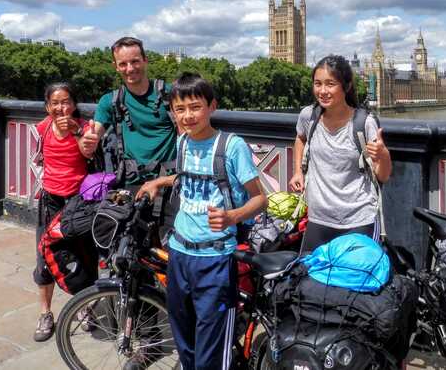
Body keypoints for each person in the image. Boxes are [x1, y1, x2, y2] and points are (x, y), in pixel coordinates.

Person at [139, 72, 266, 370]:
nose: (187, 116)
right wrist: (162, 181)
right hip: (180, 255)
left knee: (212, 348)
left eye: (195, 107)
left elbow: (261, 199)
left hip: (215, 260)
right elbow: (187, 178)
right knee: (184, 340)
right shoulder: (183, 142)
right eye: (179, 109)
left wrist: (232, 216)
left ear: (211, 106)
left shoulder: (231, 146)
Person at [289, 54, 392, 253]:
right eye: (317, 84)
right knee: (307, 280)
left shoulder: (364, 123)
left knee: (352, 282)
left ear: (346, 86)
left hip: (358, 220)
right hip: (318, 219)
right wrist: (298, 171)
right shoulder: (308, 116)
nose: (322, 91)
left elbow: (383, 176)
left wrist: (383, 155)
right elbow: (300, 138)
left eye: (330, 84)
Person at [33, 82, 94, 342]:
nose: (61, 108)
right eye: (55, 103)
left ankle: (85, 307)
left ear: (74, 103)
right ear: (48, 106)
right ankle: (46, 313)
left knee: (85, 257)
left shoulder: (86, 126)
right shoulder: (42, 128)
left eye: (66, 101)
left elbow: (88, 152)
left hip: (78, 204)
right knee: (45, 258)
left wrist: (78, 131)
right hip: (50, 201)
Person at [79, 36, 178, 194]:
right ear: (116, 67)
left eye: (135, 61)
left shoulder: (169, 94)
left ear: (145, 60)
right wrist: (86, 143)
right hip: (131, 184)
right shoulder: (110, 101)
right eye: (123, 64)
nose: (130, 69)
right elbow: (92, 138)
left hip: (167, 183)